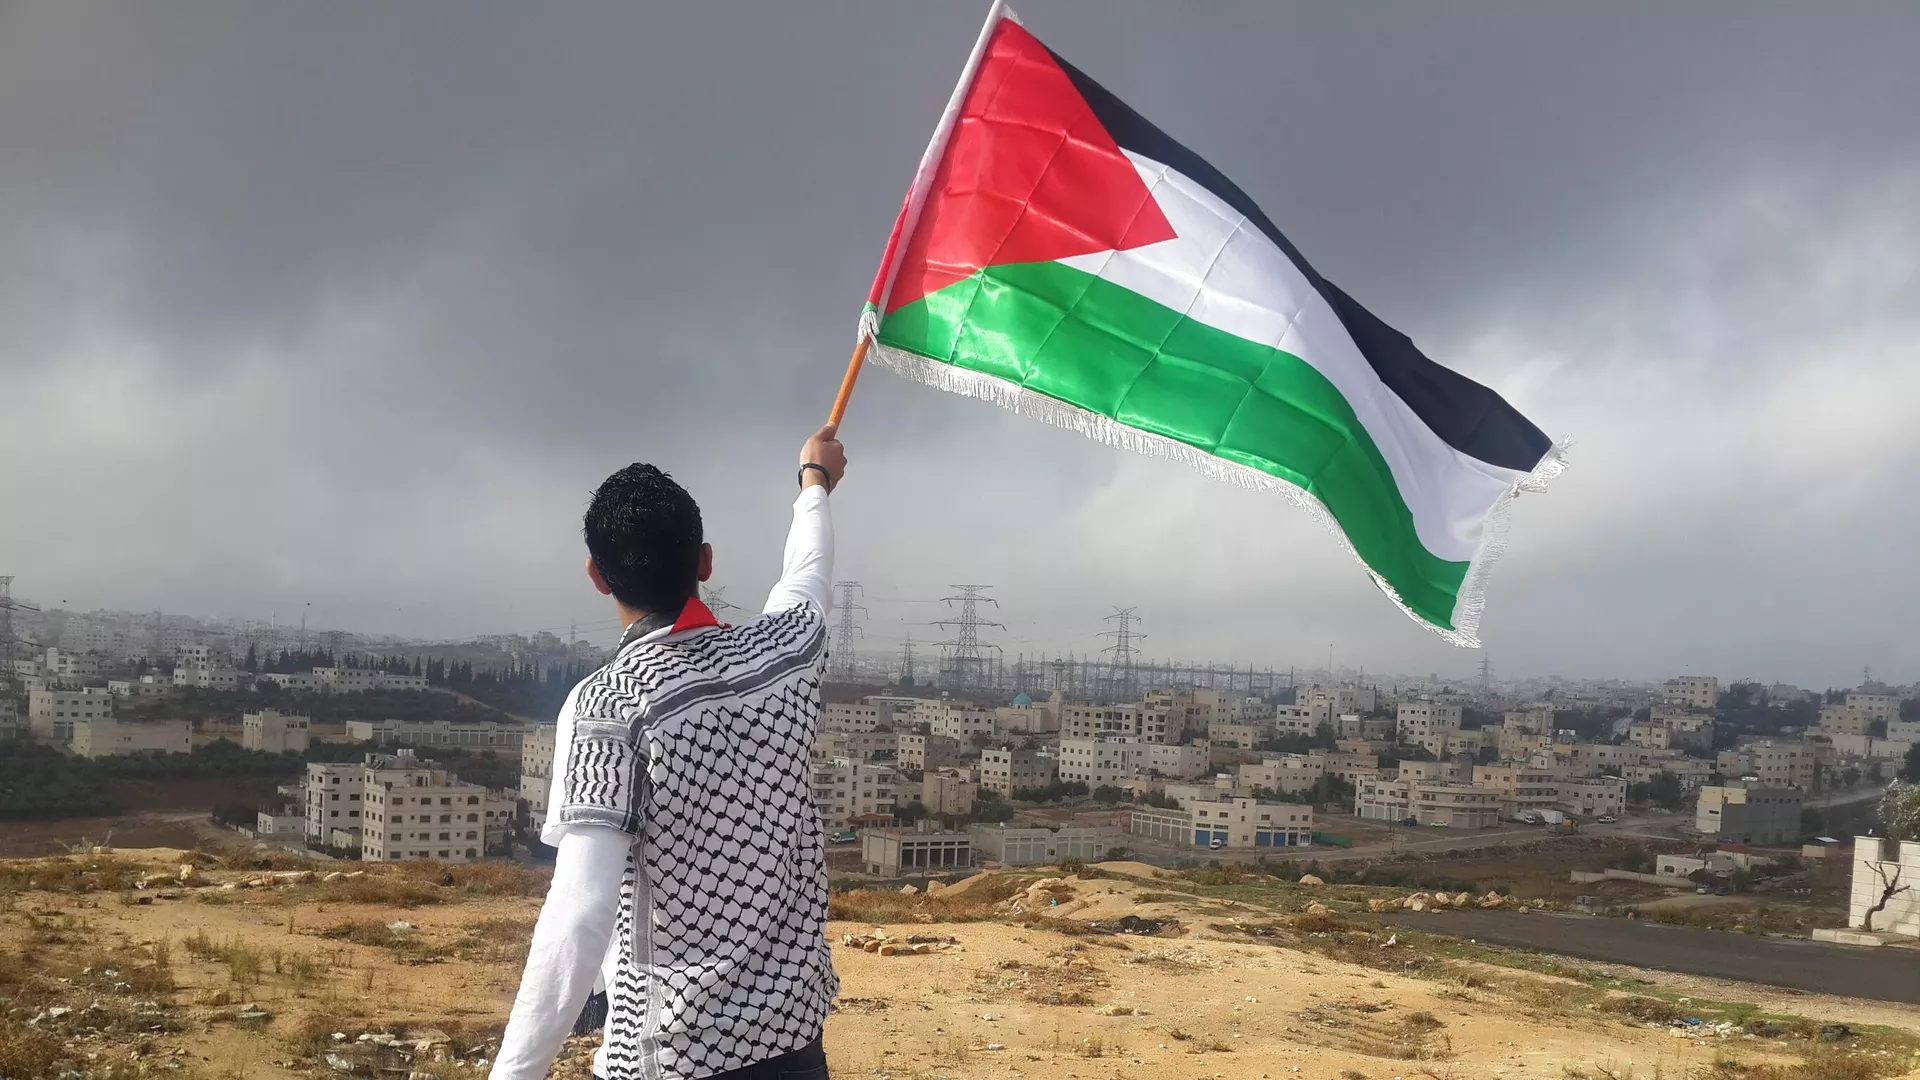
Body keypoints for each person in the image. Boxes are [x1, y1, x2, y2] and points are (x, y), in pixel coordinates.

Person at [490, 424, 848, 1080]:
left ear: (598, 577)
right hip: (796, 1049)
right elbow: (808, 573)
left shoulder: (610, 705)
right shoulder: (784, 657)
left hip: (670, 1058)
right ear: (705, 562)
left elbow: (579, 915)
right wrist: (814, 482)